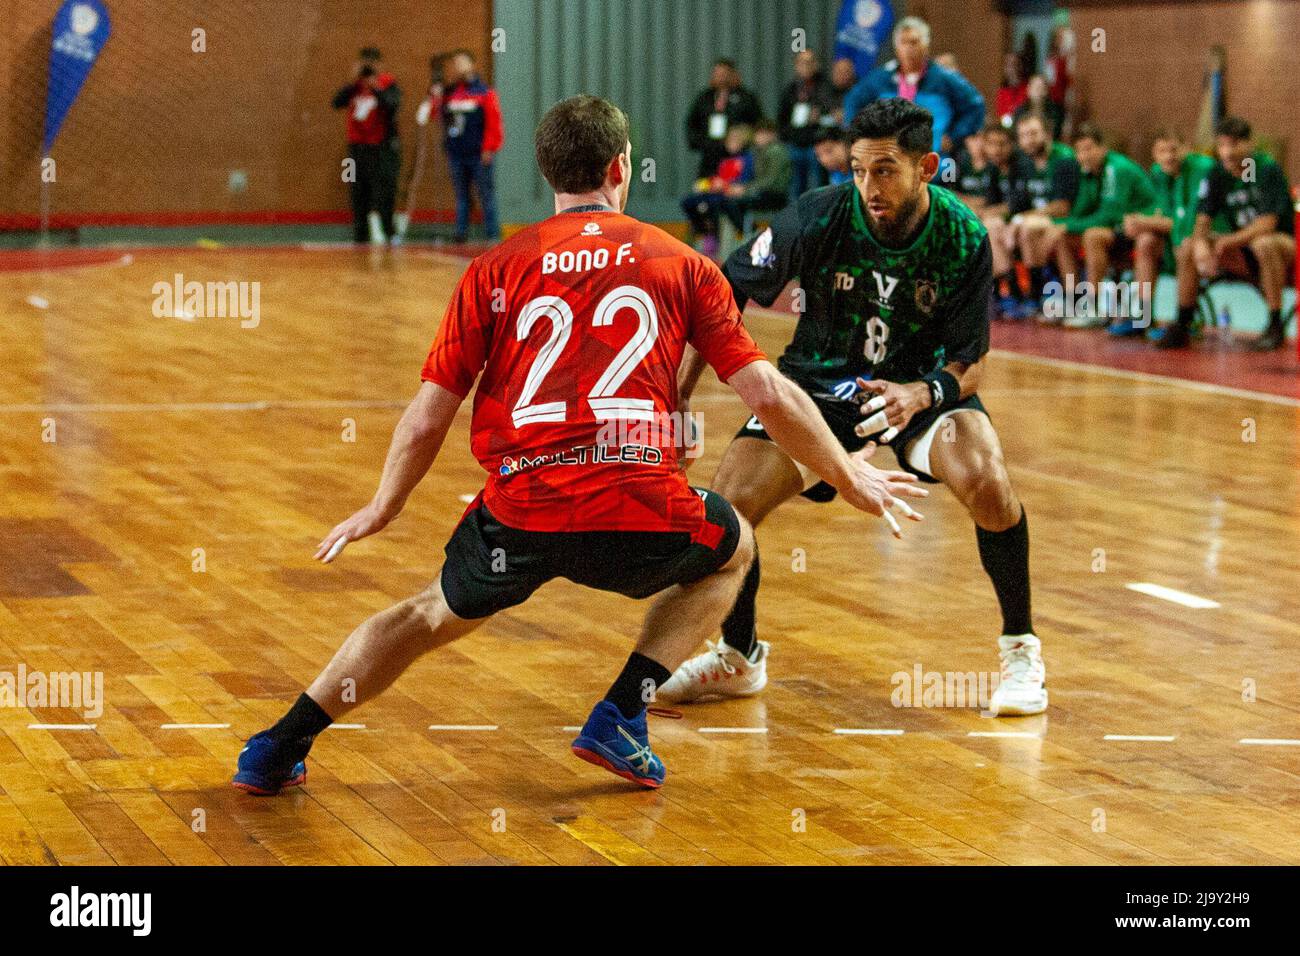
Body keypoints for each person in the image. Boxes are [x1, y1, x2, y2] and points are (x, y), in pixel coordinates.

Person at [231, 95, 924, 796]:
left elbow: (426, 417)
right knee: (734, 546)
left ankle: (278, 744)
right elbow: (770, 396)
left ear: (547, 174)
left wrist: (383, 505)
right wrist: (848, 474)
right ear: (622, 166)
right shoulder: (684, 265)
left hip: (522, 507)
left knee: (425, 616)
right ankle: (622, 710)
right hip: (640, 504)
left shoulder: (494, 269)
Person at [662, 99, 1046, 719]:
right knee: (730, 506)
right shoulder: (817, 216)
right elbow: (719, 293)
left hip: (919, 392)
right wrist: (679, 393)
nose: (869, 186)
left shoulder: (963, 236)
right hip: (816, 387)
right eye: (860, 169)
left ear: (928, 166)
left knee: (988, 480)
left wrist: (923, 394)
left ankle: (1022, 651)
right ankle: (738, 656)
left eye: (886, 170)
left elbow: (973, 357)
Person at [1156, 115, 1295, 350]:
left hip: (1281, 247)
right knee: (1190, 245)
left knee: (1264, 243)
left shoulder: (1263, 169)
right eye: (1222, 145)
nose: (1227, 152)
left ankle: (1275, 324)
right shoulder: (1218, 173)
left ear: (1249, 144)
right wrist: (1200, 244)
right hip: (1240, 251)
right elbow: (1203, 218)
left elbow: (1267, 224)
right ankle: (1183, 322)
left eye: (1234, 144)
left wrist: (1229, 240)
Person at [1034, 123, 1155, 328]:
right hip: (1117, 228)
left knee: (1092, 236)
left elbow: (1110, 215)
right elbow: (1079, 210)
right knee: (1063, 238)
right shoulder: (1088, 172)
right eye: (1079, 151)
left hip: (1139, 227)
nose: (1084, 155)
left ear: (1103, 148)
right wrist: (1059, 226)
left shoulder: (1117, 169)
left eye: (1089, 149)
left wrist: (1067, 225)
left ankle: (1094, 305)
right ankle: (1074, 300)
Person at [1107, 128, 1216, 337]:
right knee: (1146, 241)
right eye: (1162, 151)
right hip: (1177, 235)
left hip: (1208, 234)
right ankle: (1144, 316)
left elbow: (1190, 221)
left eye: (1174, 149)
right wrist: (1140, 222)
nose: (1168, 156)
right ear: (1154, 154)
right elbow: (1163, 215)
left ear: (1187, 148)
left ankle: (1184, 322)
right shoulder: (1158, 172)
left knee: (1185, 245)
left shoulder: (1203, 169)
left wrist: (1145, 221)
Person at [841, 16, 985, 159]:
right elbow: (852, 102)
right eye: (904, 42)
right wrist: (864, 138)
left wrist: (954, 136)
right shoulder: (880, 78)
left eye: (914, 42)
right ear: (896, 47)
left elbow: (976, 104)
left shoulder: (943, 78)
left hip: (935, 159)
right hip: (891, 158)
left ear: (926, 46)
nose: (909, 48)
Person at [989, 114, 1080, 318]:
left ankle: (1039, 294)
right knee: (993, 227)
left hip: (1064, 221)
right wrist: (1010, 219)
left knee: (1027, 227)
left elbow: (1062, 206)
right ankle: (1013, 293)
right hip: (1034, 220)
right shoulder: (1023, 164)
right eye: (1023, 135)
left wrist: (1021, 219)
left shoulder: (1064, 159)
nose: (1028, 140)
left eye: (1033, 133)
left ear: (1047, 134)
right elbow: (1017, 204)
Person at [423, 49, 502, 244]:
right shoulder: (450, 94)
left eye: (462, 62)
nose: (458, 66)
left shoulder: (485, 93)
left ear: (472, 65)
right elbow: (434, 116)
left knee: (486, 195)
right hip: (456, 154)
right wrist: (435, 97)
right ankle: (460, 234)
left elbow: (494, 124)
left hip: (478, 153)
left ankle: (492, 234)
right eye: (455, 63)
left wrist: (488, 148)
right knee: (461, 196)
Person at [332, 47, 402, 244]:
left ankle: (389, 234)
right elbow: (336, 103)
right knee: (357, 193)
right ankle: (360, 237)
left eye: (372, 64)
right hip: (356, 150)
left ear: (380, 65)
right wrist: (353, 81)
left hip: (381, 149)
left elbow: (392, 105)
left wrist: (376, 87)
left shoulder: (388, 84)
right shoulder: (354, 88)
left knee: (384, 194)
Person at [681, 124, 755, 256]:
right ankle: (705, 231)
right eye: (729, 140)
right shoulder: (723, 158)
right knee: (689, 202)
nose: (730, 144)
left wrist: (726, 186)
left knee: (713, 205)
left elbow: (743, 183)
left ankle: (714, 236)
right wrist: (705, 185)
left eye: (735, 141)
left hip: (728, 194)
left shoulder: (746, 159)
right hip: (716, 191)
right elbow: (715, 177)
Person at [686, 58, 763, 179]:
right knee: (704, 189)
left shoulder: (746, 98)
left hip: (736, 155)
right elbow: (692, 123)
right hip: (710, 153)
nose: (720, 77)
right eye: (717, 73)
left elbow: (757, 123)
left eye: (724, 74)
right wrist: (700, 142)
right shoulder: (705, 98)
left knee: (729, 189)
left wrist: (743, 141)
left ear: (733, 75)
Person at [778, 51, 836, 201]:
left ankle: (818, 220)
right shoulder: (790, 90)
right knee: (795, 187)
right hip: (795, 143)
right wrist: (788, 137)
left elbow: (834, 115)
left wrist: (820, 116)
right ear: (796, 66)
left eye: (809, 62)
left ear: (816, 65)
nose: (805, 66)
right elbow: (782, 118)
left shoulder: (825, 87)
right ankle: (796, 220)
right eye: (801, 63)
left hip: (817, 144)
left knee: (817, 186)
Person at [1013, 74, 1064, 141]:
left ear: (1047, 91)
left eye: (1042, 88)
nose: (1038, 91)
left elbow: (1056, 132)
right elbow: (1016, 133)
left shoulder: (1055, 110)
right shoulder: (1020, 110)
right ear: (1028, 90)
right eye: (1035, 88)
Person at [994, 51, 1029, 125]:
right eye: (1007, 65)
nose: (1011, 68)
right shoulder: (1002, 92)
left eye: (1014, 64)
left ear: (1021, 66)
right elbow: (1001, 115)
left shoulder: (1028, 88)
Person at [827, 57, 858, 126]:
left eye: (841, 72)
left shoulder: (860, 92)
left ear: (851, 74)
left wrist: (848, 113)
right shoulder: (827, 88)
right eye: (835, 72)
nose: (837, 75)